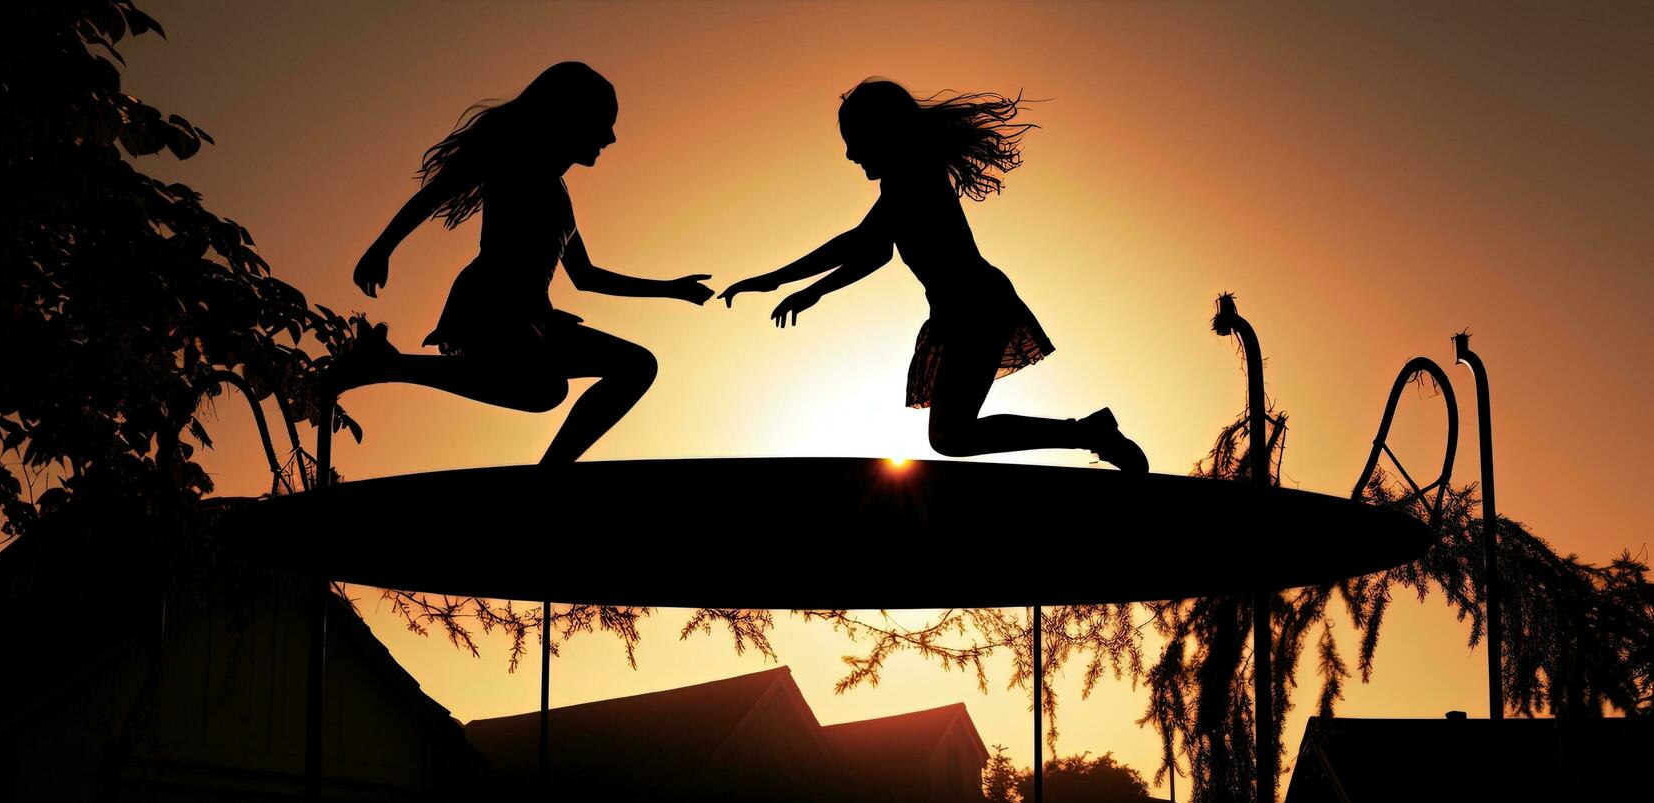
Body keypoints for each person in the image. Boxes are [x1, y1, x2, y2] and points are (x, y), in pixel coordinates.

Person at [719, 79, 1147, 473]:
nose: (850, 155)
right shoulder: (905, 181)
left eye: (855, 142)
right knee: (951, 436)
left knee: (951, 436)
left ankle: (1088, 433)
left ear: (882, 133)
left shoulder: (914, 176)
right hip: (964, 311)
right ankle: (1087, 432)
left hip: (977, 308)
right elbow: (877, 252)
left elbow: (860, 241)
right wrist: (813, 291)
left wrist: (777, 279)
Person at [334, 61, 713, 464]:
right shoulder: (513, 162)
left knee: (635, 366)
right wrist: (381, 248)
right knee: (544, 389)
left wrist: (671, 288)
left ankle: (553, 468)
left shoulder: (558, 194)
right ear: (570, 117)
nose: (611, 137)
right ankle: (391, 364)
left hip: (535, 317)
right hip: (490, 307)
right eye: (604, 122)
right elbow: (435, 194)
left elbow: (585, 277)